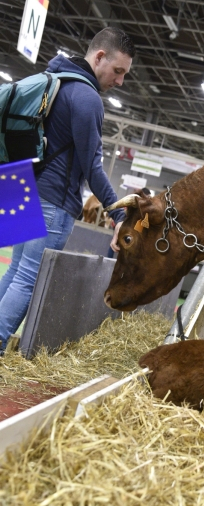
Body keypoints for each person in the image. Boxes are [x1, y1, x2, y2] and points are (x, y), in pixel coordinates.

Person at [0, 27, 135, 355]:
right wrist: (118, 215)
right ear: (99, 56)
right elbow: (92, 169)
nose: (119, 81)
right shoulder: (87, 98)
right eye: (117, 71)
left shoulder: (55, 79)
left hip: (18, 183)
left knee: (16, 272)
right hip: (53, 199)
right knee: (28, 279)